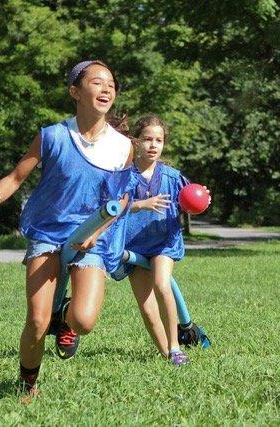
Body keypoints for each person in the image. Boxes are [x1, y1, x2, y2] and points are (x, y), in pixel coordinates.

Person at [0, 60, 134, 394]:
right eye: (97, 83)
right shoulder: (53, 135)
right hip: (48, 231)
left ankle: (67, 319)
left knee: (84, 321)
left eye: (111, 85)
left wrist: (96, 233)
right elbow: (18, 176)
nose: (106, 89)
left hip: (91, 236)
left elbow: (121, 201)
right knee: (36, 321)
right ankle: (27, 385)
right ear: (75, 91)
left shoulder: (123, 147)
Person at [112, 114, 198, 366]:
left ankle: (175, 348)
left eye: (158, 140)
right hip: (133, 247)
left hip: (163, 243)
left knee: (162, 285)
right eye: (147, 139)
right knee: (148, 309)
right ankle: (166, 354)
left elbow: (189, 200)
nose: (153, 145)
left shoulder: (172, 177)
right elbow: (110, 209)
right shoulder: (123, 176)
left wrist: (201, 200)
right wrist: (139, 205)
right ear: (135, 142)